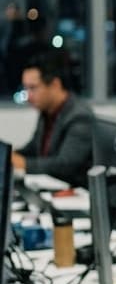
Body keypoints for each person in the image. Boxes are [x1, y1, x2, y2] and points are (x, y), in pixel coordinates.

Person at [10, 49, 94, 187]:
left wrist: (22, 162)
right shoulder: (47, 111)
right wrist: (9, 157)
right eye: (26, 88)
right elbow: (33, 149)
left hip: (74, 191)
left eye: (33, 88)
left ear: (55, 85)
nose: (28, 96)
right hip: (49, 187)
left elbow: (65, 165)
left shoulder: (80, 116)